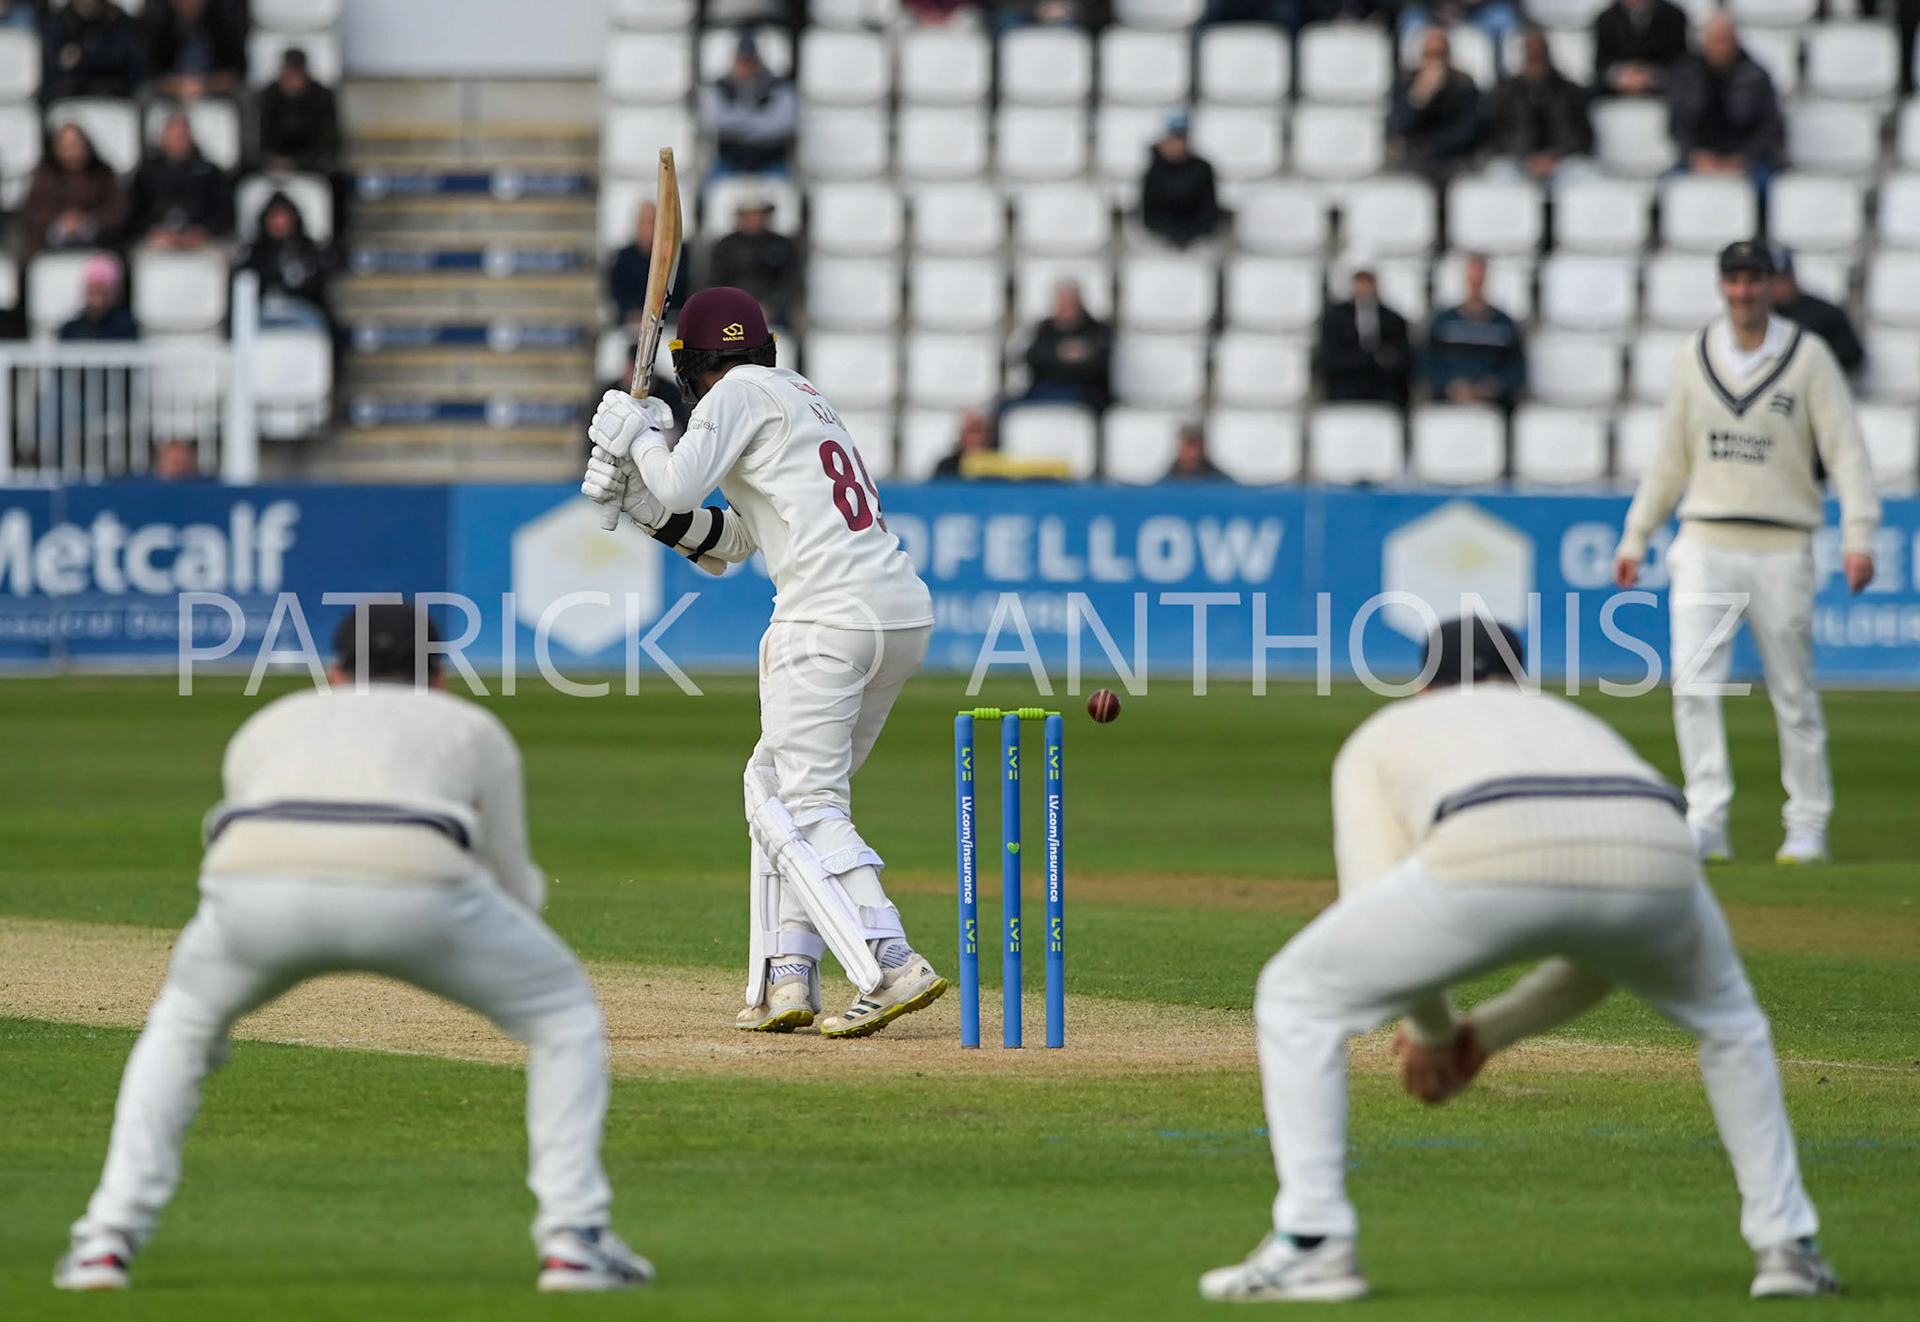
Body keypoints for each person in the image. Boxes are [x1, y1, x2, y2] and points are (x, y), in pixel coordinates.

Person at [1199, 616, 1840, 1304]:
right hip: (1660, 850)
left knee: (1297, 993)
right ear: (1518, 680)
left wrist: (1436, 1038)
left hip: (1492, 845)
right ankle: (1788, 1248)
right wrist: (1487, 1037)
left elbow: (1374, 900)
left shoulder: (1383, 735)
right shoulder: (1570, 719)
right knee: (1730, 1021)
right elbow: (1607, 954)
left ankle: (1314, 1240)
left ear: (1422, 686)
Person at [53, 604, 653, 1295]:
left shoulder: (268, 722)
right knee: (563, 1013)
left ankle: (105, 1239)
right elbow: (512, 881)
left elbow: (229, 845)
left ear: (335, 673)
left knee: (182, 1024)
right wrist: (501, 955)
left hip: (252, 894)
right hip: (420, 887)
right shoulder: (470, 727)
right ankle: (573, 1240)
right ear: (439, 676)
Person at [580, 288, 944, 1040]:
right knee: (776, 787)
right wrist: (646, 509)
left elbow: (680, 479)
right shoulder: (797, 396)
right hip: (898, 613)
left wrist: (638, 434)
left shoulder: (735, 393)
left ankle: (892, 959)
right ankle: (790, 975)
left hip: (825, 619)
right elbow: (736, 540)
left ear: (691, 365)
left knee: (807, 805)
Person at [1613, 241, 1879, 865]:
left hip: (1782, 544)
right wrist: (1636, 534)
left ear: (1773, 285)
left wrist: (1858, 535)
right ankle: (1706, 817)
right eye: (1733, 280)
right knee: (1694, 686)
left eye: (1754, 280)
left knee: (1793, 691)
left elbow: (1846, 451)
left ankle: (1807, 824)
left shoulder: (1806, 356)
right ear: (1722, 286)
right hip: (1705, 538)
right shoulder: (1695, 354)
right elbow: (1669, 456)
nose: (1743, 292)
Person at [1667, 14, 1781, 185]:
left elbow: (1770, 127)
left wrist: (1743, 159)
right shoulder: (1686, 75)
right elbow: (1677, 125)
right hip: (1700, 157)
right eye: (1716, 40)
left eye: (1725, 40)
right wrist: (1695, 156)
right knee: (1669, 187)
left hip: (1747, 159)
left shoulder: (1756, 76)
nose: (1721, 47)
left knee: (1767, 185)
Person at [1485, 30, 1594, 182]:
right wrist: (1527, 159)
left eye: (1539, 53)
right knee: (1501, 173)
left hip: (1561, 162)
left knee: (1582, 173)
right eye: (1531, 53)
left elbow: (1581, 136)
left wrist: (1554, 157)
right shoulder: (1507, 93)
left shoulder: (1569, 91)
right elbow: (1497, 136)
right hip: (1520, 161)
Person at [1424, 254, 1524, 408]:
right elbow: (1428, 363)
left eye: (1479, 278)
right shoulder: (1444, 321)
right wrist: (1450, 384)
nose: (1475, 283)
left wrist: (1494, 386)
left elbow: (1516, 367)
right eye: (1472, 278)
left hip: (1493, 405)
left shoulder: (1503, 323)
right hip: (1449, 404)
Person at [18, 122, 129, 259]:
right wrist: (60, 223)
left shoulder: (103, 175)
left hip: (100, 246)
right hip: (49, 248)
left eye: (75, 145)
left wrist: (85, 222)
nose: (72, 152)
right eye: (66, 147)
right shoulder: (44, 177)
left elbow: (117, 211)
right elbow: (32, 213)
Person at [1312, 265, 1413, 409]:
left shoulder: (1393, 319)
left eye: (1368, 282)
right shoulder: (1335, 318)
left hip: (1383, 389)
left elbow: (1401, 358)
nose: (1364, 287)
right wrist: (1367, 359)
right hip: (1345, 387)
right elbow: (1329, 356)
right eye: (1360, 282)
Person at [1387, 28, 1483, 179]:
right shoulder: (1404, 83)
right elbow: (1401, 126)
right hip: (1416, 159)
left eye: (1441, 55)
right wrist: (1420, 95)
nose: (1436, 62)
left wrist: (1432, 146)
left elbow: (1468, 131)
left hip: (1454, 159)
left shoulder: (1464, 85)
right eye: (1430, 55)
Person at [130, 111, 233, 249]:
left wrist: (203, 232)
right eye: (173, 137)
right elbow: (135, 211)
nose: (178, 142)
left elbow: (224, 213)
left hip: (202, 240)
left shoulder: (210, 172)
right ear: (163, 138)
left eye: (182, 137)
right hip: (156, 239)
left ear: (190, 137)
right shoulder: (146, 172)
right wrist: (152, 231)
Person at [698, 34, 797, 177]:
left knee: (786, 187)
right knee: (709, 187)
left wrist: (738, 128)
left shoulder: (777, 86)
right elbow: (713, 120)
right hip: (730, 160)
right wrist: (760, 123)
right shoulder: (720, 87)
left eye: (750, 62)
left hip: (770, 161)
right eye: (742, 62)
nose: (746, 67)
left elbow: (785, 124)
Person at [236, 191, 335, 329]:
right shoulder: (255, 252)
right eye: (274, 218)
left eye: (284, 217)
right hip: (264, 311)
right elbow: (248, 285)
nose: (279, 223)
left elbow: (318, 288)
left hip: (303, 310)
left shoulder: (309, 250)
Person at [1769, 248, 1864, 381]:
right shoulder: (1757, 315)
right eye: (1773, 280)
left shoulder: (1825, 313)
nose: (1778, 286)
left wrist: (1815, 361)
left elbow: (1852, 356)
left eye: (1783, 279)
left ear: (1793, 277)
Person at [705, 197, 800, 327]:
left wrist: (770, 306)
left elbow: (789, 281)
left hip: (775, 312)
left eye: (757, 214)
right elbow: (715, 281)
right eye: (747, 215)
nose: (752, 219)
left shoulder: (782, 245)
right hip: (731, 309)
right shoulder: (725, 246)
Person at [1021, 281, 1113, 411]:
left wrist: (1062, 359)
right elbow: (1033, 358)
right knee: (1003, 407)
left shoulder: (1098, 330)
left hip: (1084, 394)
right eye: (1063, 303)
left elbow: (1099, 364)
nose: (1067, 308)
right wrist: (1061, 353)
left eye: (1071, 303)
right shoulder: (1044, 329)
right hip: (1045, 389)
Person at [1140, 114, 1223, 250]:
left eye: (1180, 138)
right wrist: (1171, 235)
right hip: (1161, 240)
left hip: (1198, 241)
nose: (1176, 144)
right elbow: (1149, 216)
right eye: (1172, 138)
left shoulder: (1203, 169)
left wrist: (1188, 235)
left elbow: (1209, 212)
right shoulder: (1153, 171)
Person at [255, 47, 341, 175]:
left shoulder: (322, 96)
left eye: (296, 73)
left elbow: (329, 139)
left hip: (312, 162)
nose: (291, 77)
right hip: (275, 160)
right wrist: (274, 159)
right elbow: (261, 135)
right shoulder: (269, 96)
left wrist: (297, 163)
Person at [607, 199, 690, 327]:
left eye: (657, 223)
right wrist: (633, 313)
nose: (653, 228)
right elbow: (618, 293)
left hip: (669, 321)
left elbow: (681, 289)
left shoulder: (678, 255)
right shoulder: (624, 257)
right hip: (634, 324)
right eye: (649, 223)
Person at [42, 0, 144, 103]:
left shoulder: (119, 21)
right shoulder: (58, 24)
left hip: (116, 96)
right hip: (72, 98)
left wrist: (83, 57)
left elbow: (129, 63)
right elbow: (51, 73)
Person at [143, 0, 245, 101]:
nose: (190, 3)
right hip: (170, 98)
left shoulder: (222, 23)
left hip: (217, 95)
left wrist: (205, 86)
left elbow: (236, 71)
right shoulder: (159, 25)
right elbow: (151, 73)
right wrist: (177, 85)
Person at [1592, 0, 1689, 96]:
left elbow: (1681, 62)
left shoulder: (1674, 16)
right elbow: (1601, 65)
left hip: (1665, 88)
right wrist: (1621, 76)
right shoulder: (1606, 19)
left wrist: (1651, 76)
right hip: (1616, 89)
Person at [59, 253, 138, 340]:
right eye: (93, 293)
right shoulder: (71, 330)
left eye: (104, 293)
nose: (98, 300)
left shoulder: (126, 328)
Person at [932, 407, 996, 478]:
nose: (974, 438)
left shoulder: (998, 467)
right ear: (961, 435)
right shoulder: (946, 467)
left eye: (978, 431)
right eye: (971, 431)